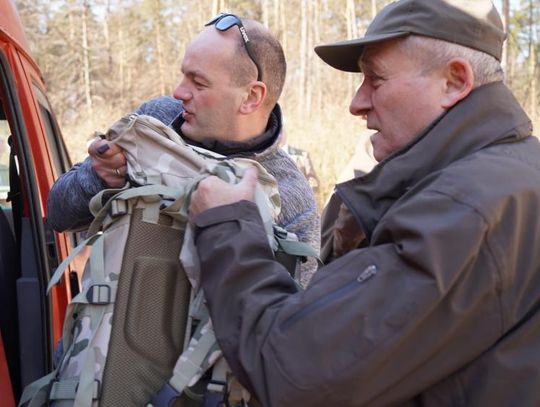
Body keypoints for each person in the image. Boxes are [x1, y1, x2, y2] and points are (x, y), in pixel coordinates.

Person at [187, 1, 540, 406]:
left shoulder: (464, 211)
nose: (357, 103)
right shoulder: (514, 173)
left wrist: (226, 224)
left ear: (454, 81)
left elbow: (293, 367)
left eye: (376, 78)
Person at [47, 14, 320, 285]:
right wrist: (101, 178)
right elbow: (57, 215)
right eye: (183, 77)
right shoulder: (154, 122)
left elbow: (289, 322)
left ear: (251, 97)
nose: (179, 92)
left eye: (198, 83)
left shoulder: (292, 198)